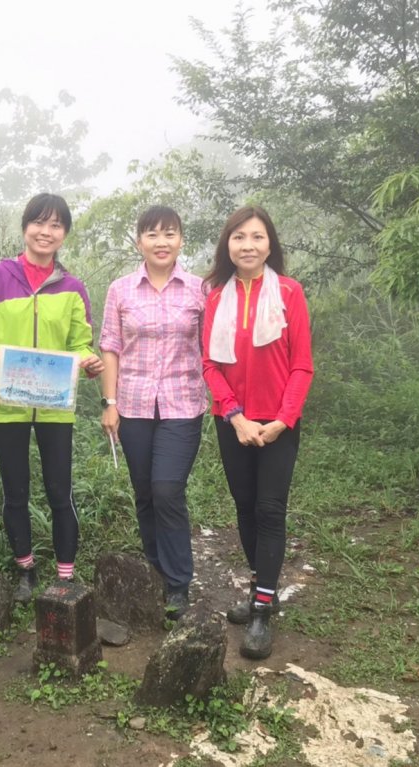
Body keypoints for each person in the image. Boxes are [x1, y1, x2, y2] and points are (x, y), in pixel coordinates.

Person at [0, 193, 104, 602]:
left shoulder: (72, 287)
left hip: (55, 404)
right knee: (15, 490)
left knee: (61, 491)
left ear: (64, 234)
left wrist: (90, 362)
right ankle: (25, 570)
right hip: (6, 402)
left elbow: (81, 343)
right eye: (39, 222)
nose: (46, 231)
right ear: (25, 228)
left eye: (56, 225)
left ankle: (66, 575)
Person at [202, 206, 314, 659]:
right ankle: (260, 590)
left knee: (270, 510)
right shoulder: (214, 297)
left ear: (271, 244)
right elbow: (209, 364)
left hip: (279, 425)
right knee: (245, 509)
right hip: (233, 423)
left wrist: (282, 421)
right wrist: (236, 416)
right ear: (227, 245)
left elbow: (302, 364)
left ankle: (262, 611)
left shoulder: (289, 292)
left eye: (257, 237)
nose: (248, 245)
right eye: (239, 237)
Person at [99, 206, 205, 619]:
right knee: (145, 491)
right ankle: (154, 568)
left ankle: (179, 581)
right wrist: (110, 403)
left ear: (181, 239)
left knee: (167, 489)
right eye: (152, 234)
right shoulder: (121, 290)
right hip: (135, 404)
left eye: (170, 233)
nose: (161, 242)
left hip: (182, 403)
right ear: (139, 240)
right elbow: (110, 345)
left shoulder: (199, 289)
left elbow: (213, 347)